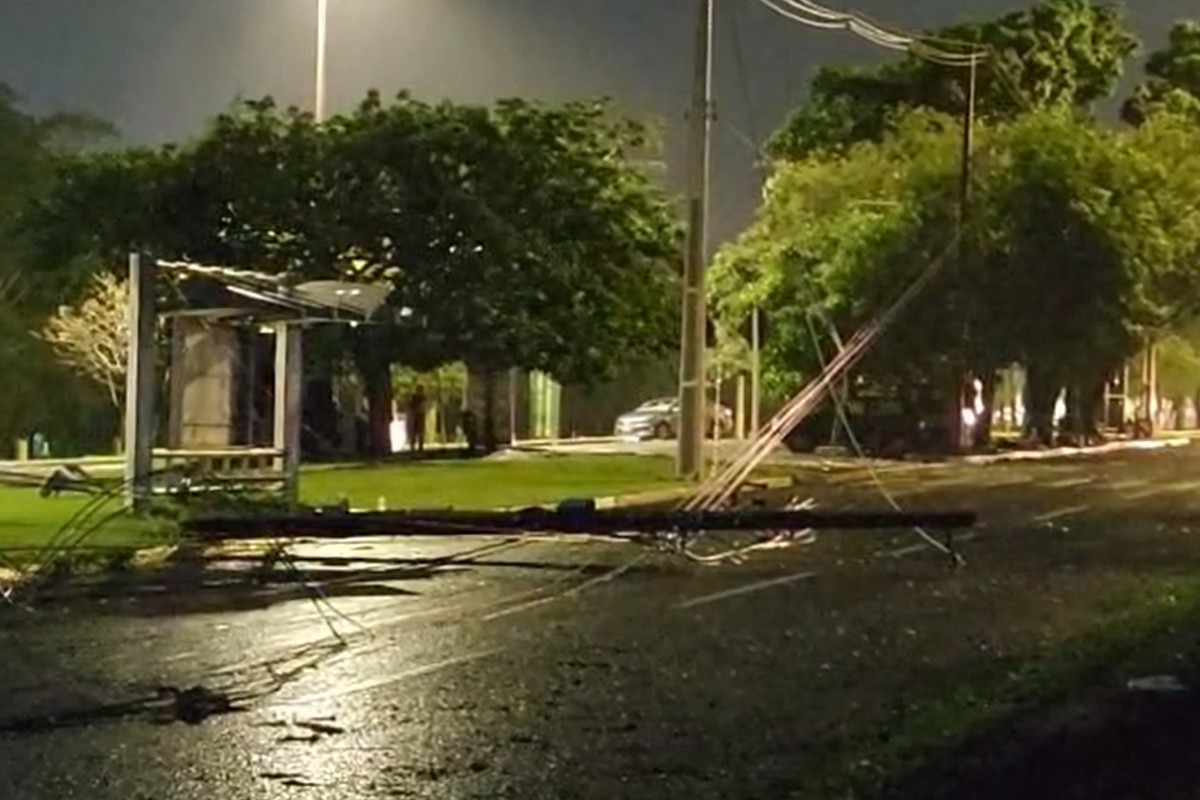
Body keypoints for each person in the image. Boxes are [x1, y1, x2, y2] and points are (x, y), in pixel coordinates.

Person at [407, 385, 428, 453]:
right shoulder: (415, 397)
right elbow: (411, 405)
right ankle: (413, 447)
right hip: (416, 415)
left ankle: (419, 447)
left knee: (420, 432)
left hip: (420, 415)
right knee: (415, 432)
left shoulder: (423, 397)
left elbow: (425, 406)